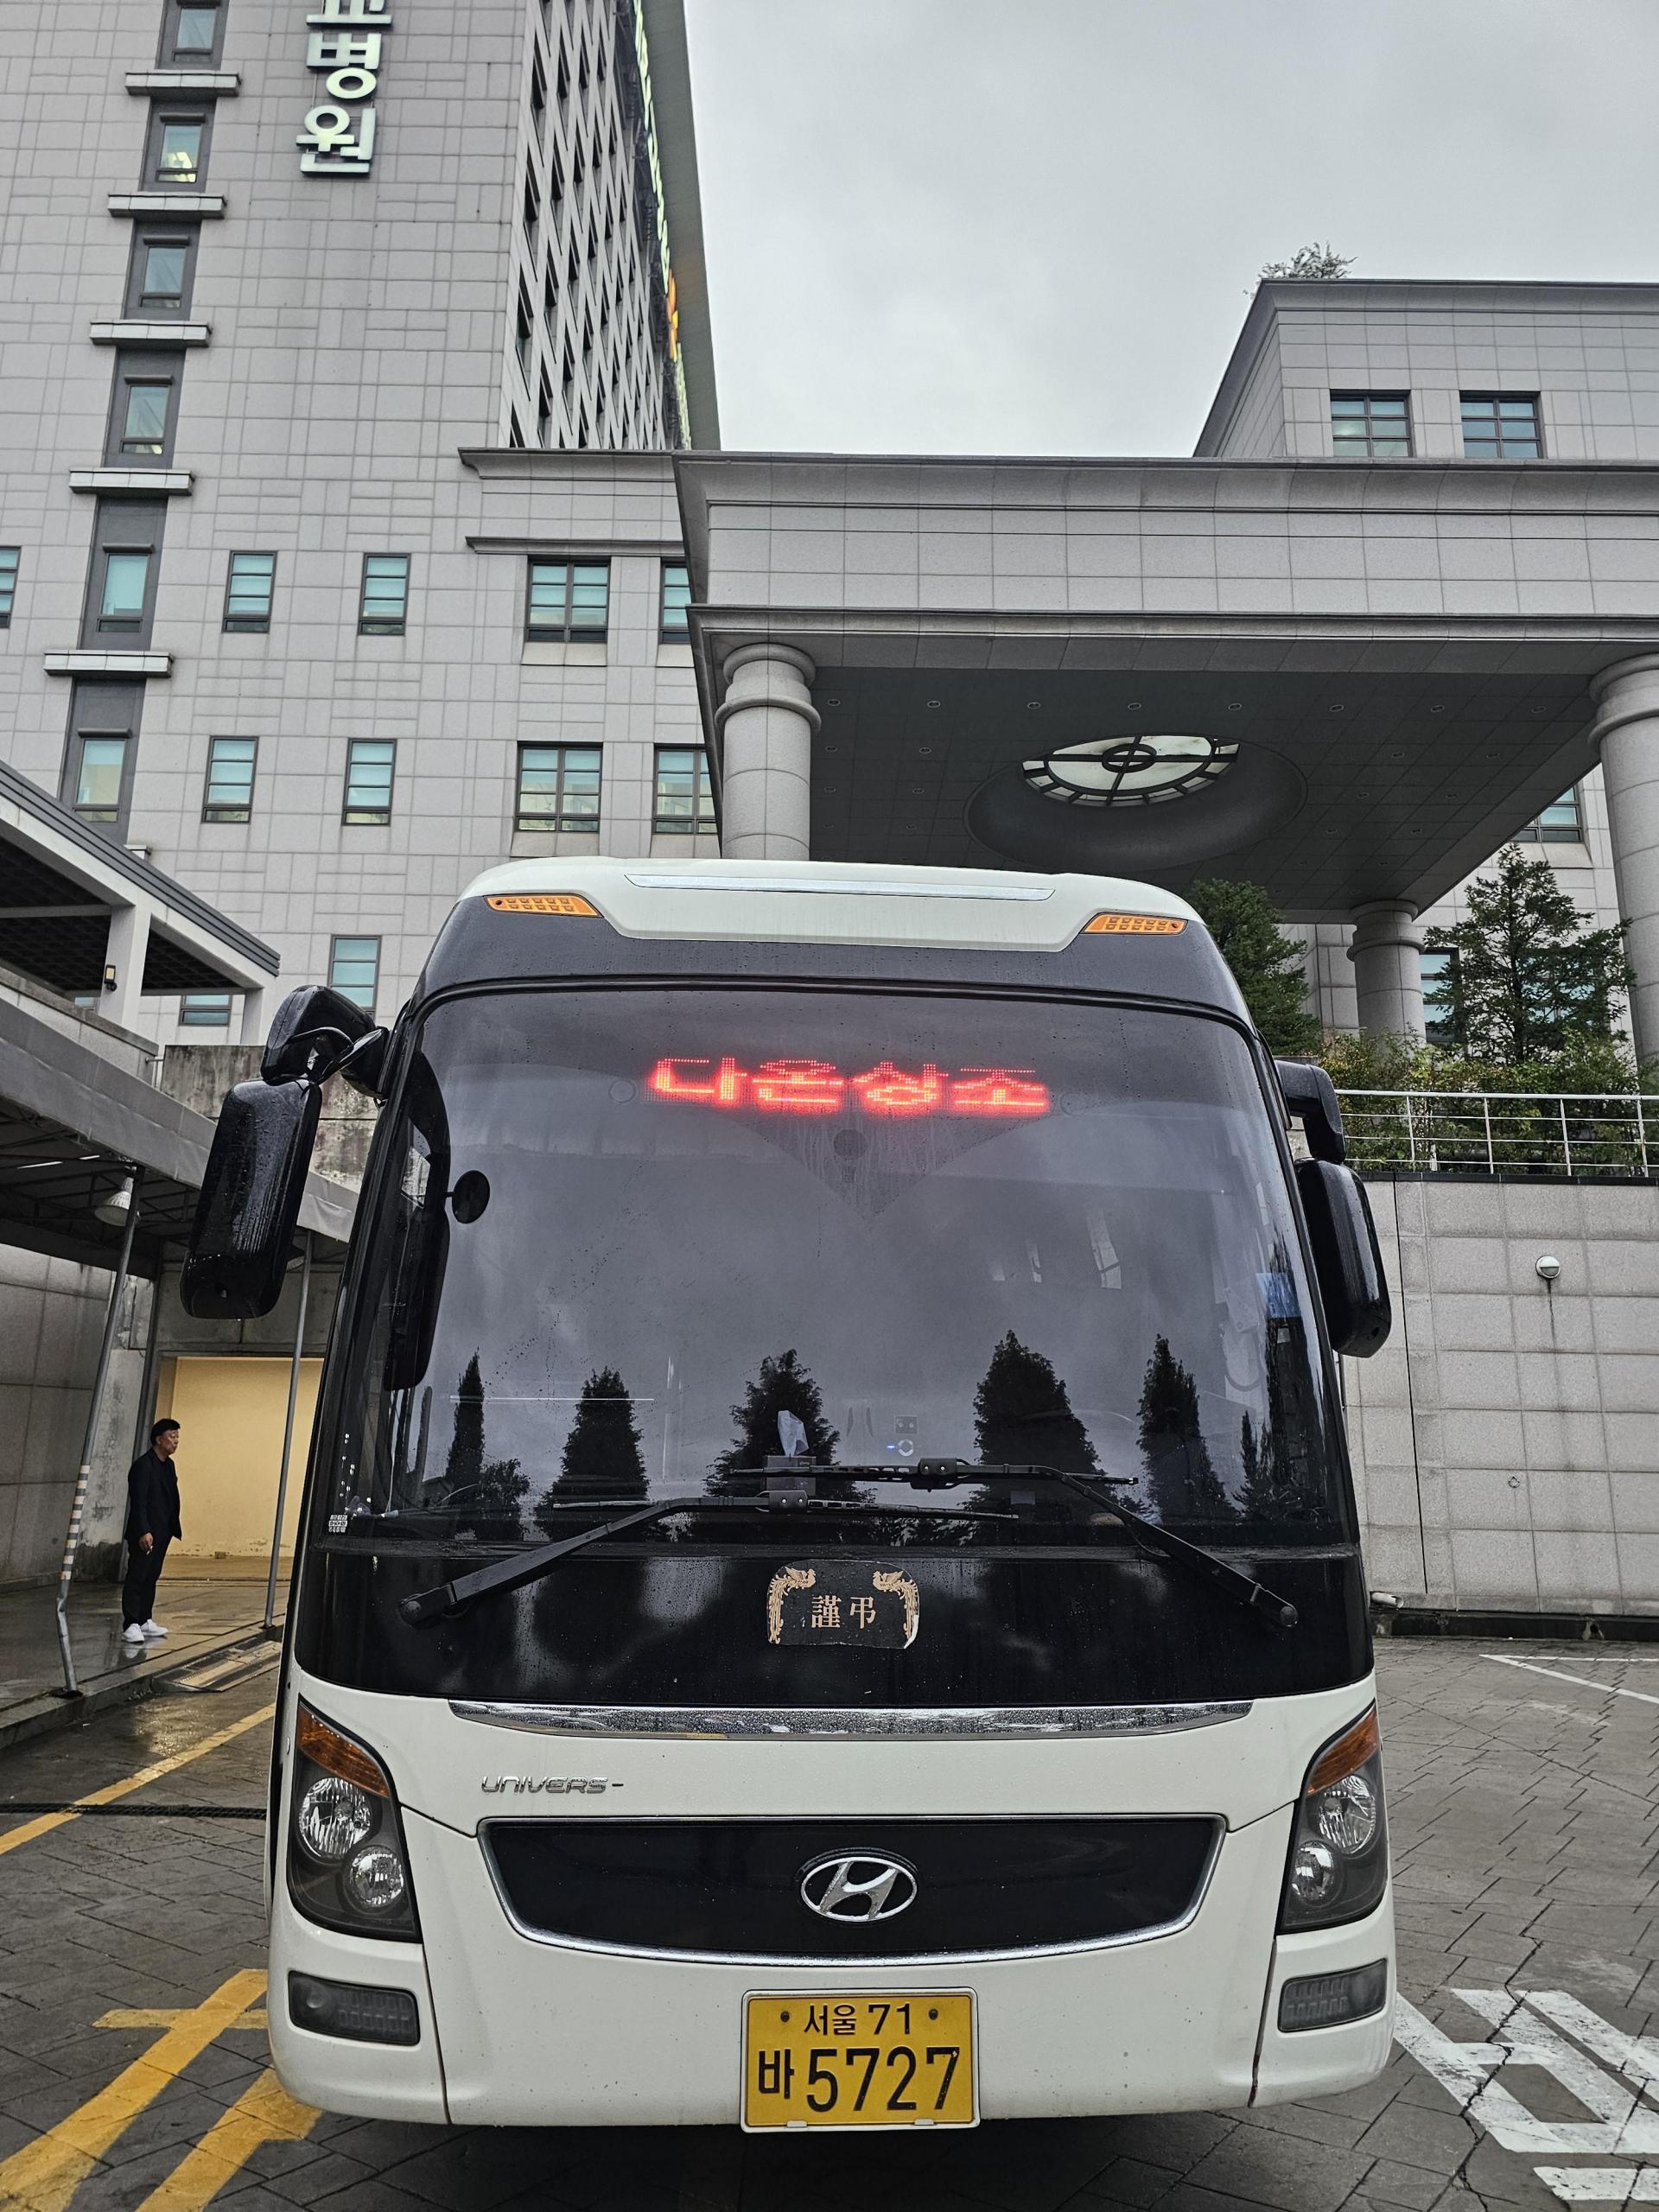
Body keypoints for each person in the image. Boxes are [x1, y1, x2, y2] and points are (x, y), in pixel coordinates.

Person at [122, 1419, 182, 1648]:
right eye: (171, 1436)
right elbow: (138, 1502)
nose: (176, 1441)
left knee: (152, 1575)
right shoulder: (143, 1466)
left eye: (177, 1437)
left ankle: (144, 1619)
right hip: (145, 1531)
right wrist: (144, 1530)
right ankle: (131, 1623)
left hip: (162, 1530)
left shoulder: (168, 1465)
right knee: (138, 1575)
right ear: (158, 1439)